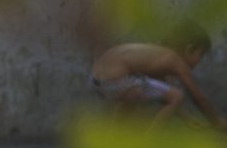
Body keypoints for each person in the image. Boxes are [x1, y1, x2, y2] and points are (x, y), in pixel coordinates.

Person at [91, 30, 224, 128]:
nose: (199, 61)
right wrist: (216, 121)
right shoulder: (176, 61)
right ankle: (148, 143)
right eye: (200, 55)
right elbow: (199, 98)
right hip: (117, 80)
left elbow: (166, 95)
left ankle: (114, 139)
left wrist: (188, 119)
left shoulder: (159, 56)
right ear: (190, 49)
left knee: (131, 99)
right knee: (177, 95)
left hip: (97, 80)